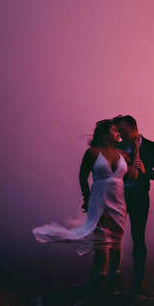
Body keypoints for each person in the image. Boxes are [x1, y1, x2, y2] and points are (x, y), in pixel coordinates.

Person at [32, 119, 141, 290]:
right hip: (99, 199)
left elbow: (132, 177)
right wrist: (87, 197)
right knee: (102, 240)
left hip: (119, 201)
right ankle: (101, 279)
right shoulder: (92, 152)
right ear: (105, 134)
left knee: (117, 240)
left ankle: (115, 277)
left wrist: (137, 153)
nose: (119, 133)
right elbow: (82, 177)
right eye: (115, 130)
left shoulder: (123, 155)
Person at [110, 115, 154, 293]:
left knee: (138, 238)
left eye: (123, 130)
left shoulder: (152, 147)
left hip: (140, 197)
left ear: (134, 128)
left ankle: (138, 281)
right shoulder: (116, 147)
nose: (120, 134)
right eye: (118, 131)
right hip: (118, 196)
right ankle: (114, 279)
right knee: (114, 238)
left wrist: (145, 171)